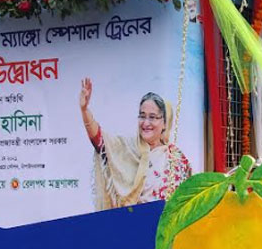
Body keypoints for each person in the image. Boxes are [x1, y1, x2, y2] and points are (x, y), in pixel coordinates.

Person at [79, 78, 192, 209]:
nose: (146, 123)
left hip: (163, 227)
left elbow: (188, 202)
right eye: (142, 116)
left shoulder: (175, 158)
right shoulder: (126, 148)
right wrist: (84, 110)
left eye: (153, 117)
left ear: (164, 123)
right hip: (130, 225)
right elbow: (99, 141)